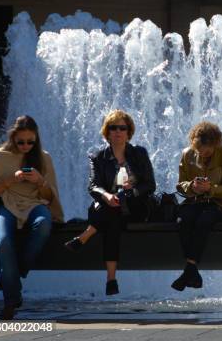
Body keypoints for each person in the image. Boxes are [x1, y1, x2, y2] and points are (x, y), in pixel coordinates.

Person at [64, 109, 156, 295]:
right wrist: (106, 195)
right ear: (107, 132)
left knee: (111, 214)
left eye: (122, 128)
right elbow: (93, 186)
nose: (118, 131)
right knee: (112, 216)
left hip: (135, 206)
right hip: (108, 207)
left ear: (129, 132)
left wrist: (132, 190)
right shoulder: (98, 157)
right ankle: (111, 280)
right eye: (113, 127)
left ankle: (85, 238)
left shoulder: (139, 153)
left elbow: (150, 185)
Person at [0, 115, 64, 319]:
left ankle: (11, 276)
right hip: (7, 204)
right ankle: (11, 301)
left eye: (31, 141)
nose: (26, 146)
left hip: (35, 204)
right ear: (12, 138)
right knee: (2, 241)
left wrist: (40, 182)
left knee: (43, 225)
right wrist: (10, 180)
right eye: (21, 141)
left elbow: (50, 197)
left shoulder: (44, 157)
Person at [171, 122, 222, 291]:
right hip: (194, 202)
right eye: (199, 150)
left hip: (220, 204)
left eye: (207, 150)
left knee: (204, 220)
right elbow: (180, 185)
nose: (202, 154)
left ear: (216, 144)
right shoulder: (187, 155)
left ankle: (189, 270)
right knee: (182, 220)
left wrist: (211, 189)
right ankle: (192, 270)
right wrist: (192, 187)